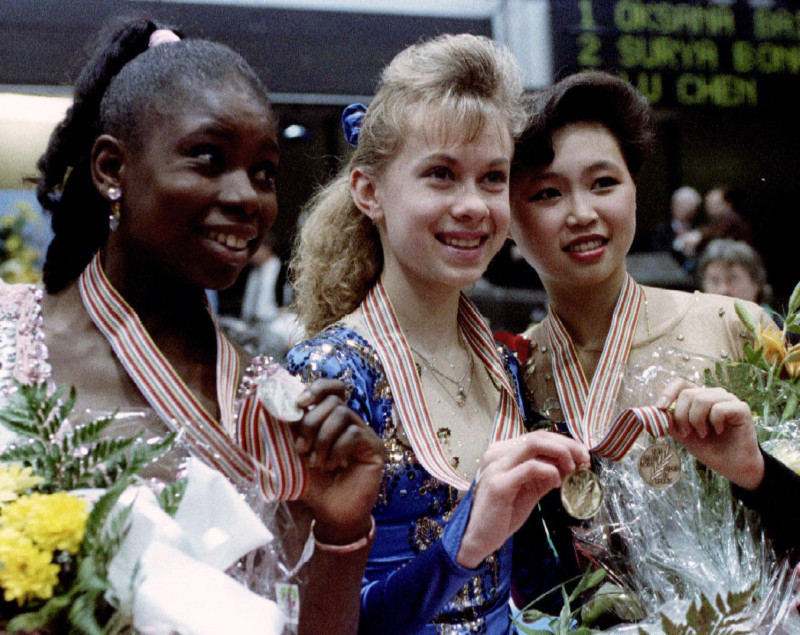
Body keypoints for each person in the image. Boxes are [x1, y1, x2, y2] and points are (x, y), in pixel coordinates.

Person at [0, 16, 383, 634]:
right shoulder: (7, 339)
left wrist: (342, 528)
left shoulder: (271, 410)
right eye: (209, 159)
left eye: (263, 172)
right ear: (109, 170)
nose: (248, 198)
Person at [286, 34, 589, 633]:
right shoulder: (329, 376)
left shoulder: (501, 364)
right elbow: (312, 618)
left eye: (492, 178)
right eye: (442, 175)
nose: (474, 205)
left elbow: (528, 585)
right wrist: (461, 548)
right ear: (368, 191)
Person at [507, 70, 793, 611]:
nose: (583, 213)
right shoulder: (510, 373)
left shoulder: (743, 328)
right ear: (506, 221)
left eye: (604, 183)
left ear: (635, 191)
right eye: (547, 192)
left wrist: (757, 472)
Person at [697, 238, 772, 306]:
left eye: (732, 279)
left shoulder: (776, 321)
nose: (723, 290)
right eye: (714, 281)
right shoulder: (692, 320)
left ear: (756, 283)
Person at [651, 185, 703, 269]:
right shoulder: (662, 230)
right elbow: (657, 254)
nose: (686, 209)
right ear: (672, 206)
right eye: (681, 205)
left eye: (690, 206)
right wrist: (680, 245)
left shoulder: (700, 231)